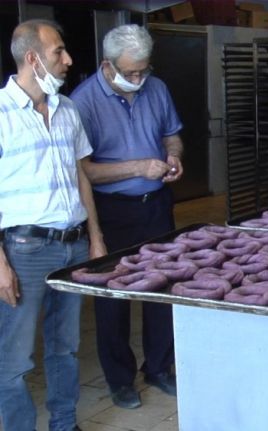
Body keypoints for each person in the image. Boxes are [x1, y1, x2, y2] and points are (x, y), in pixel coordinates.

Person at [0, 19, 107, 431]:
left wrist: (96, 239)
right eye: (58, 52)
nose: (68, 60)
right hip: (24, 250)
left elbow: (82, 176)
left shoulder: (68, 110)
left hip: (73, 247)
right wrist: (1, 265)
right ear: (32, 58)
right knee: (13, 360)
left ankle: (65, 424)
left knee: (65, 349)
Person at [70, 24, 184, 409]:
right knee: (113, 298)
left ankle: (159, 366)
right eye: (130, 72)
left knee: (161, 288)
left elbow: (172, 134)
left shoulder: (158, 88)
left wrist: (174, 156)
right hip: (111, 211)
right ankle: (120, 380)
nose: (138, 79)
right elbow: (84, 172)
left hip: (155, 204)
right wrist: (137, 168)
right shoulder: (82, 103)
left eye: (143, 71)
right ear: (108, 64)